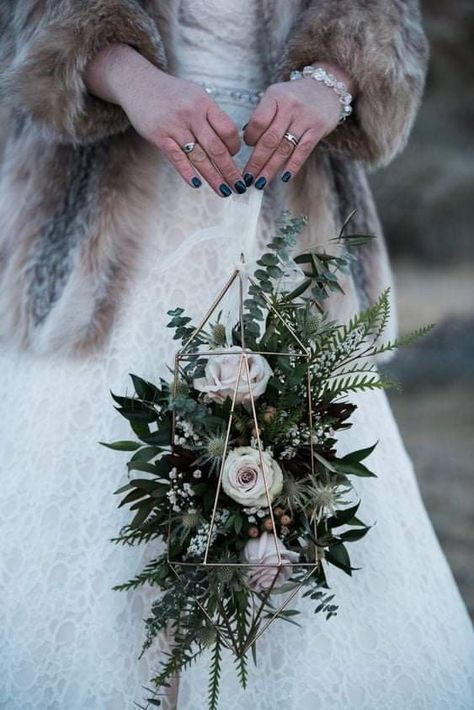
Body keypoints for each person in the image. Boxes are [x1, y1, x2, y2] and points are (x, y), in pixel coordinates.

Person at [0, 1, 472, 708]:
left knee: (300, 504)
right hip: (108, 230)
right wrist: (127, 75)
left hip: (292, 201)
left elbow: (385, 11)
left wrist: (332, 79)